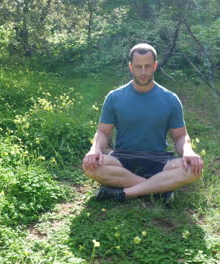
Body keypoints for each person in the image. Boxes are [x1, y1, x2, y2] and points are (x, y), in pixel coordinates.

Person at [82, 43, 203, 202]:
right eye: (138, 67)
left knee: (193, 171)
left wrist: (188, 151)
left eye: (147, 66)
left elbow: (180, 136)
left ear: (155, 66)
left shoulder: (170, 99)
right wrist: (95, 149)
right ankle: (159, 189)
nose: (143, 72)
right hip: (122, 159)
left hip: (159, 161)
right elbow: (103, 132)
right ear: (131, 67)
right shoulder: (114, 97)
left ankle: (125, 193)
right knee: (90, 167)